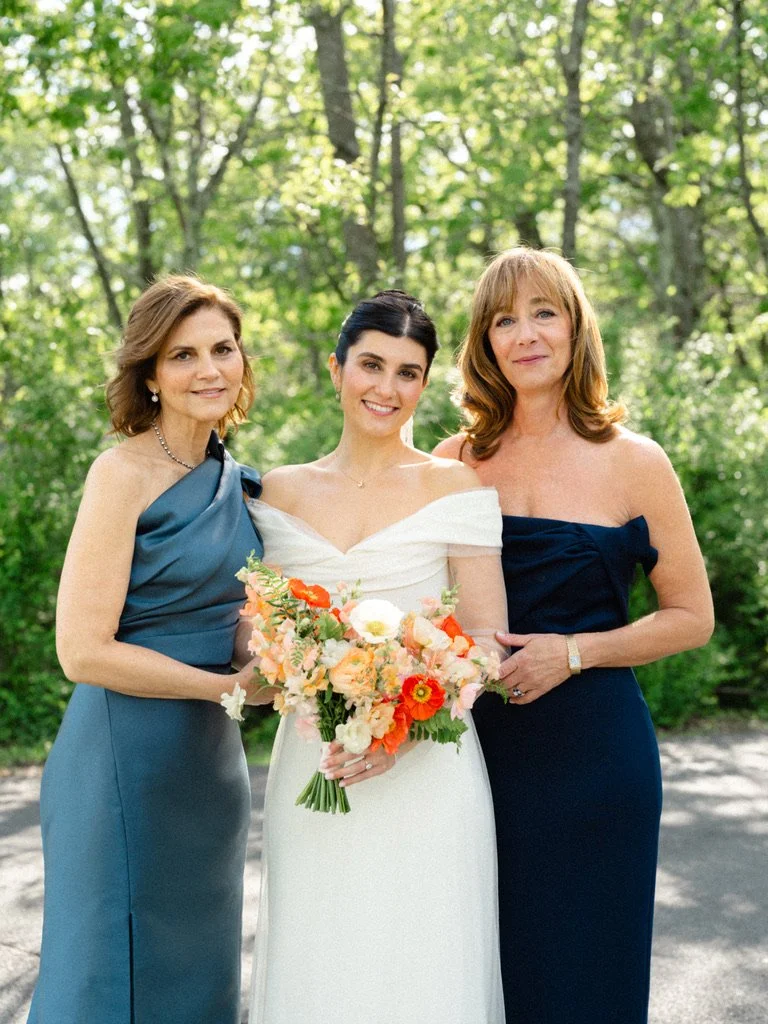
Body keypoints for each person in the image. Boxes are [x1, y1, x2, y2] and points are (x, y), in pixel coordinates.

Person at [435, 247, 715, 1024]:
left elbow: (691, 616)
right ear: (484, 343)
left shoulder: (635, 463)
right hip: (472, 758)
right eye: (503, 320)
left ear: (575, 327)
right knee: (480, 977)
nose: (525, 334)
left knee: (588, 978)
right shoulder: (451, 461)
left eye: (543, 313)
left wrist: (575, 652)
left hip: (596, 759)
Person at [247, 290, 507, 1024]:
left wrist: (404, 730)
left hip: (428, 767)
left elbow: (486, 641)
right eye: (370, 364)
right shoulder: (279, 491)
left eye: (407, 372)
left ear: (425, 385)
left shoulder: (454, 486)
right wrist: (284, 668)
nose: (385, 388)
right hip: (315, 766)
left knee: (421, 967)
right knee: (320, 959)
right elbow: (259, 630)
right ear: (335, 370)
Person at [28, 275, 274, 1024]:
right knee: (105, 973)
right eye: (182, 355)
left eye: (222, 349)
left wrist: (265, 650)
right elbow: (82, 652)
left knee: (197, 976)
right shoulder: (120, 475)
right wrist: (221, 687)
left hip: (209, 769)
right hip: (120, 760)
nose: (208, 370)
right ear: (151, 374)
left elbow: (231, 610)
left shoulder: (243, 483)